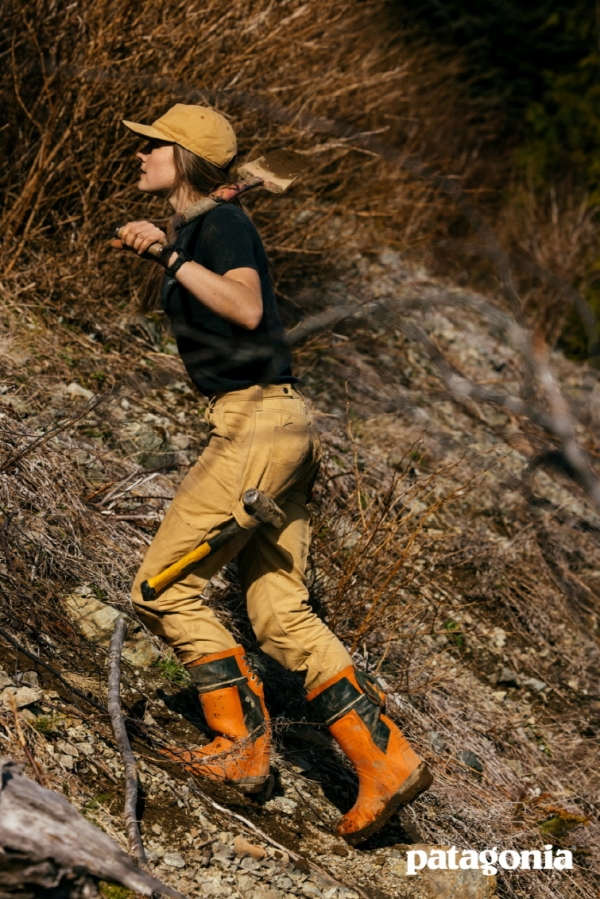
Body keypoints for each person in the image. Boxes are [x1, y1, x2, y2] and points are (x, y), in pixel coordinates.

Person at [113, 103, 432, 845]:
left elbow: (248, 308)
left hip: (255, 425)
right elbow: (219, 213)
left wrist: (168, 254)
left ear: (182, 157)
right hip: (283, 425)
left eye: (150, 146)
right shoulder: (212, 219)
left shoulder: (209, 234)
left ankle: (240, 748)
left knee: (159, 587)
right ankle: (387, 762)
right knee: (278, 613)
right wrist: (234, 193)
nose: (138, 156)